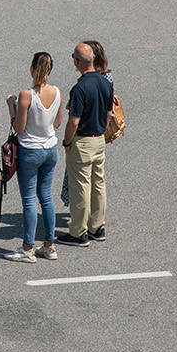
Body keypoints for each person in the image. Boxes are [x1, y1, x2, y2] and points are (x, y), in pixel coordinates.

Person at [7, 52, 63, 263]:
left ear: (32, 69)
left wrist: (11, 107)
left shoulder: (26, 95)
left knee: (29, 200)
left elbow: (19, 128)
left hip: (30, 150)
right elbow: (56, 123)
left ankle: (27, 248)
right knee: (46, 197)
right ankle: (49, 245)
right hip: (50, 149)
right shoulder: (57, 92)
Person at [62, 43, 113, 247]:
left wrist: (67, 142)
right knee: (98, 184)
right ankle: (97, 226)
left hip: (82, 141)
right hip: (99, 139)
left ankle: (78, 231)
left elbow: (73, 121)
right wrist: (102, 132)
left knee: (80, 187)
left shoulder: (80, 88)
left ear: (77, 61)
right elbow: (108, 114)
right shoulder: (105, 82)